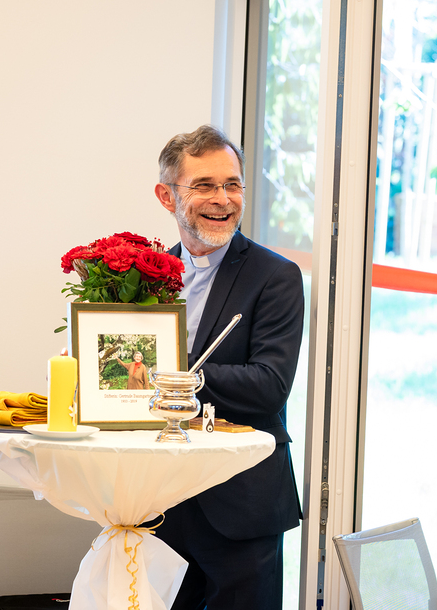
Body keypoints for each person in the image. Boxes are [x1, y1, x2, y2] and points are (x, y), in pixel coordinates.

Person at [151, 124, 304, 610]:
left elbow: (270, 386)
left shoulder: (276, 276)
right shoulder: (145, 276)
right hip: (161, 500)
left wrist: (180, 377)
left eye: (232, 184)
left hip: (241, 505)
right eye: (204, 185)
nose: (222, 199)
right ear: (167, 196)